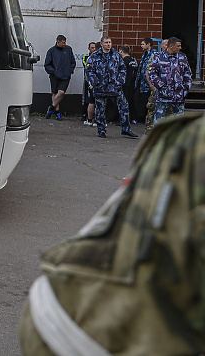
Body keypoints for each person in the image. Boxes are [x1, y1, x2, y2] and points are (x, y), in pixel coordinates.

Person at [19, 112, 205, 355]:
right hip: (79, 332)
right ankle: (101, 127)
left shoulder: (191, 135)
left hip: (71, 317)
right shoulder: (192, 138)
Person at [86, 36, 138, 138]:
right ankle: (101, 130)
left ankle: (126, 129)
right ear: (101, 44)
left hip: (115, 87)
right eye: (106, 42)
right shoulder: (94, 56)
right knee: (100, 110)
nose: (108, 44)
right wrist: (96, 83)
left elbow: (122, 68)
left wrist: (119, 82)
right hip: (101, 87)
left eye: (110, 42)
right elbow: (89, 70)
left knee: (124, 106)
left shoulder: (116, 55)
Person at [147, 36, 192, 123]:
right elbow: (152, 73)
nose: (180, 48)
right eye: (178, 46)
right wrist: (161, 86)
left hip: (179, 95)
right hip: (163, 96)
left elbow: (188, 74)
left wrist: (185, 88)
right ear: (171, 46)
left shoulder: (182, 57)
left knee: (179, 123)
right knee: (159, 122)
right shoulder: (158, 57)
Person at [43, 35, 75, 120]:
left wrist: (70, 70)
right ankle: (57, 112)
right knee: (54, 93)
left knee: (61, 92)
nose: (65, 44)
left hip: (66, 75)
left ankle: (51, 108)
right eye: (63, 42)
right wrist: (53, 72)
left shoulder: (68, 49)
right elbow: (47, 64)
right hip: (55, 76)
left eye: (65, 42)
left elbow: (72, 61)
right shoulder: (51, 51)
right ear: (58, 42)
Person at [146, 38, 168, 132]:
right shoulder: (156, 56)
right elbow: (148, 71)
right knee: (152, 108)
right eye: (165, 44)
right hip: (157, 87)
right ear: (161, 46)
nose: (167, 46)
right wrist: (151, 85)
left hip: (168, 89)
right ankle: (150, 129)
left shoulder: (175, 57)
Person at [133, 37, 155, 123]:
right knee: (138, 98)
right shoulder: (145, 54)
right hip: (141, 81)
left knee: (144, 101)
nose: (141, 46)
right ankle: (141, 117)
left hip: (147, 83)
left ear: (148, 44)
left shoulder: (153, 54)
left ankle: (142, 118)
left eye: (142, 44)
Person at [118, 45, 138, 122]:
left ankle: (123, 120)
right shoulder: (133, 60)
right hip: (131, 83)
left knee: (123, 103)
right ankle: (129, 118)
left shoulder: (123, 61)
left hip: (124, 84)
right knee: (129, 102)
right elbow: (134, 70)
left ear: (121, 51)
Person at [81, 42, 97, 126]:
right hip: (88, 81)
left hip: (97, 82)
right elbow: (86, 66)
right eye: (92, 48)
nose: (93, 49)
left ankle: (95, 119)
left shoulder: (99, 57)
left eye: (95, 47)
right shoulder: (86, 57)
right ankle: (85, 114)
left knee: (96, 101)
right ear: (89, 48)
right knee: (87, 99)